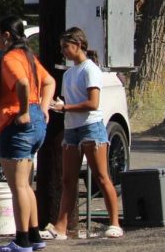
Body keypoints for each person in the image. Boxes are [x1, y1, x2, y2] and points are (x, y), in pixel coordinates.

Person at [46, 28, 123, 240]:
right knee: (68, 179)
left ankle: (114, 222)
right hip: (71, 129)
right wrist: (61, 106)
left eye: (66, 47)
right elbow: (69, 102)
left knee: (101, 176)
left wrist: (66, 108)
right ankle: (61, 227)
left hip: (91, 127)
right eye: (61, 47)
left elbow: (93, 103)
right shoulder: (69, 73)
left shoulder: (90, 69)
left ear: (78, 44)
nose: (63, 51)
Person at [0, 15, 55, 252]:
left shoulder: (10, 59)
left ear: (6, 36)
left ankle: (22, 239)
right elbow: (49, 82)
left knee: (18, 186)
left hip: (15, 126)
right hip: (35, 124)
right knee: (26, 185)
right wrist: (43, 108)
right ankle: (34, 234)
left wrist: (26, 111)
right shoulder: (29, 57)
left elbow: (24, 84)